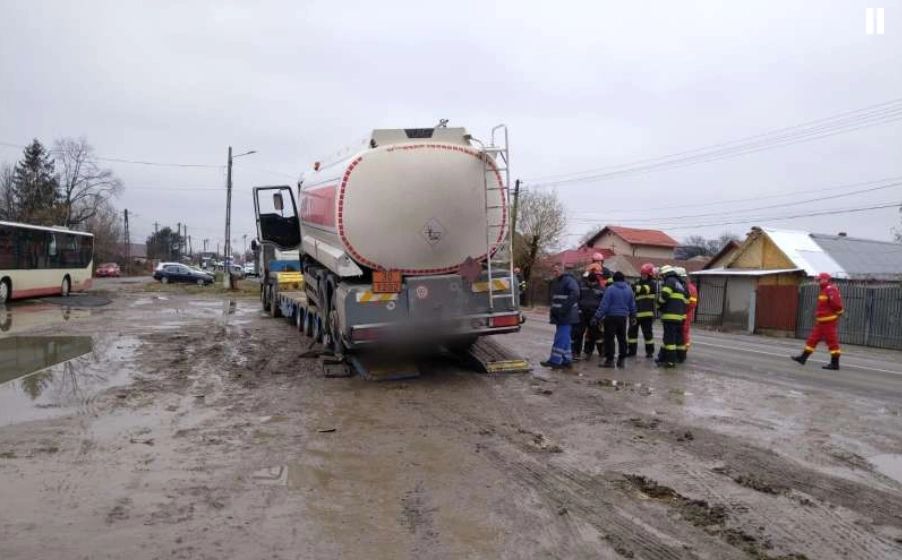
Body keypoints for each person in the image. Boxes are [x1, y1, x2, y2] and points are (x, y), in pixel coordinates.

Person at [792, 272, 844, 370]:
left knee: (832, 342)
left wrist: (839, 311)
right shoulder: (824, 290)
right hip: (821, 322)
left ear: (825, 280)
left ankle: (835, 364)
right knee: (812, 340)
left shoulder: (830, 289)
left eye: (819, 280)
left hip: (829, 321)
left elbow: (836, 304)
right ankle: (803, 358)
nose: (818, 281)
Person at [592, 271, 637, 368]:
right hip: (623, 318)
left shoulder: (610, 289)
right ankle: (621, 361)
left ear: (614, 279)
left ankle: (610, 360)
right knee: (622, 339)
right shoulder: (629, 289)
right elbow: (632, 305)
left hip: (611, 317)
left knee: (609, 339)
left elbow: (604, 305)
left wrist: (596, 317)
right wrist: (633, 316)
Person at [540, 262, 580, 370]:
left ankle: (554, 360)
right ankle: (567, 360)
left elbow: (575, 294)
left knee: (560, 337)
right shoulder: (558, 281)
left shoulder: (568, 280)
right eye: (553, 270)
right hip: (561, 315)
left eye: (556, 270)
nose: (555, 273)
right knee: (565, 338)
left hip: (566, 315)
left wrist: (563, 309)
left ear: (562, 270)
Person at [655, 265, 687, 369]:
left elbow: (664, 295)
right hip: (679, 316)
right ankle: (676, 357)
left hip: (670, 316)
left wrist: (658, 305)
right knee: (677, 339)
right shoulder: (679, 283)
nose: (662, 277)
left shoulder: (670, 281)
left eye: (662, 275)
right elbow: (685, 301)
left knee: (670, 341)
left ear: (665, 274)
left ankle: (670, 362)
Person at [571, 263, 605, 360]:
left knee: (594, 334)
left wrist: (600, 315)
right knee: (578, 333)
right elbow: (577, 298)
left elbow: (603, 302)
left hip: (594, 314)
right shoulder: (582, 286)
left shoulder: (601, 288)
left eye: (593, 282)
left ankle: (591, 352)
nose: (591, 284)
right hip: (582, 313)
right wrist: (578, 310)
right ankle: (576, 353)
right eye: (590, 282)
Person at [627, 263, 657, 358]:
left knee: (648, 334)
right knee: (631, 334)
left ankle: (649, 352)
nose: (643, 276)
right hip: (635, 314)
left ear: (650, 275)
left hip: (646, 315)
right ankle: (631, 351)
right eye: (642, 274)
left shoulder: (652, 284)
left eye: (645, 274)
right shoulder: (638, 283)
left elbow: (643, 289)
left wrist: (632, 286)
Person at [676, 267, 698, 363]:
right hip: (682, 313)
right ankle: (681, 351)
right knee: (681, 332)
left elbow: (692, 304)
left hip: (685, 313)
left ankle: (683, 351)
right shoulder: (686, 286)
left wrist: (682, 310)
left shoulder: (690, 288)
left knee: (684, 332)